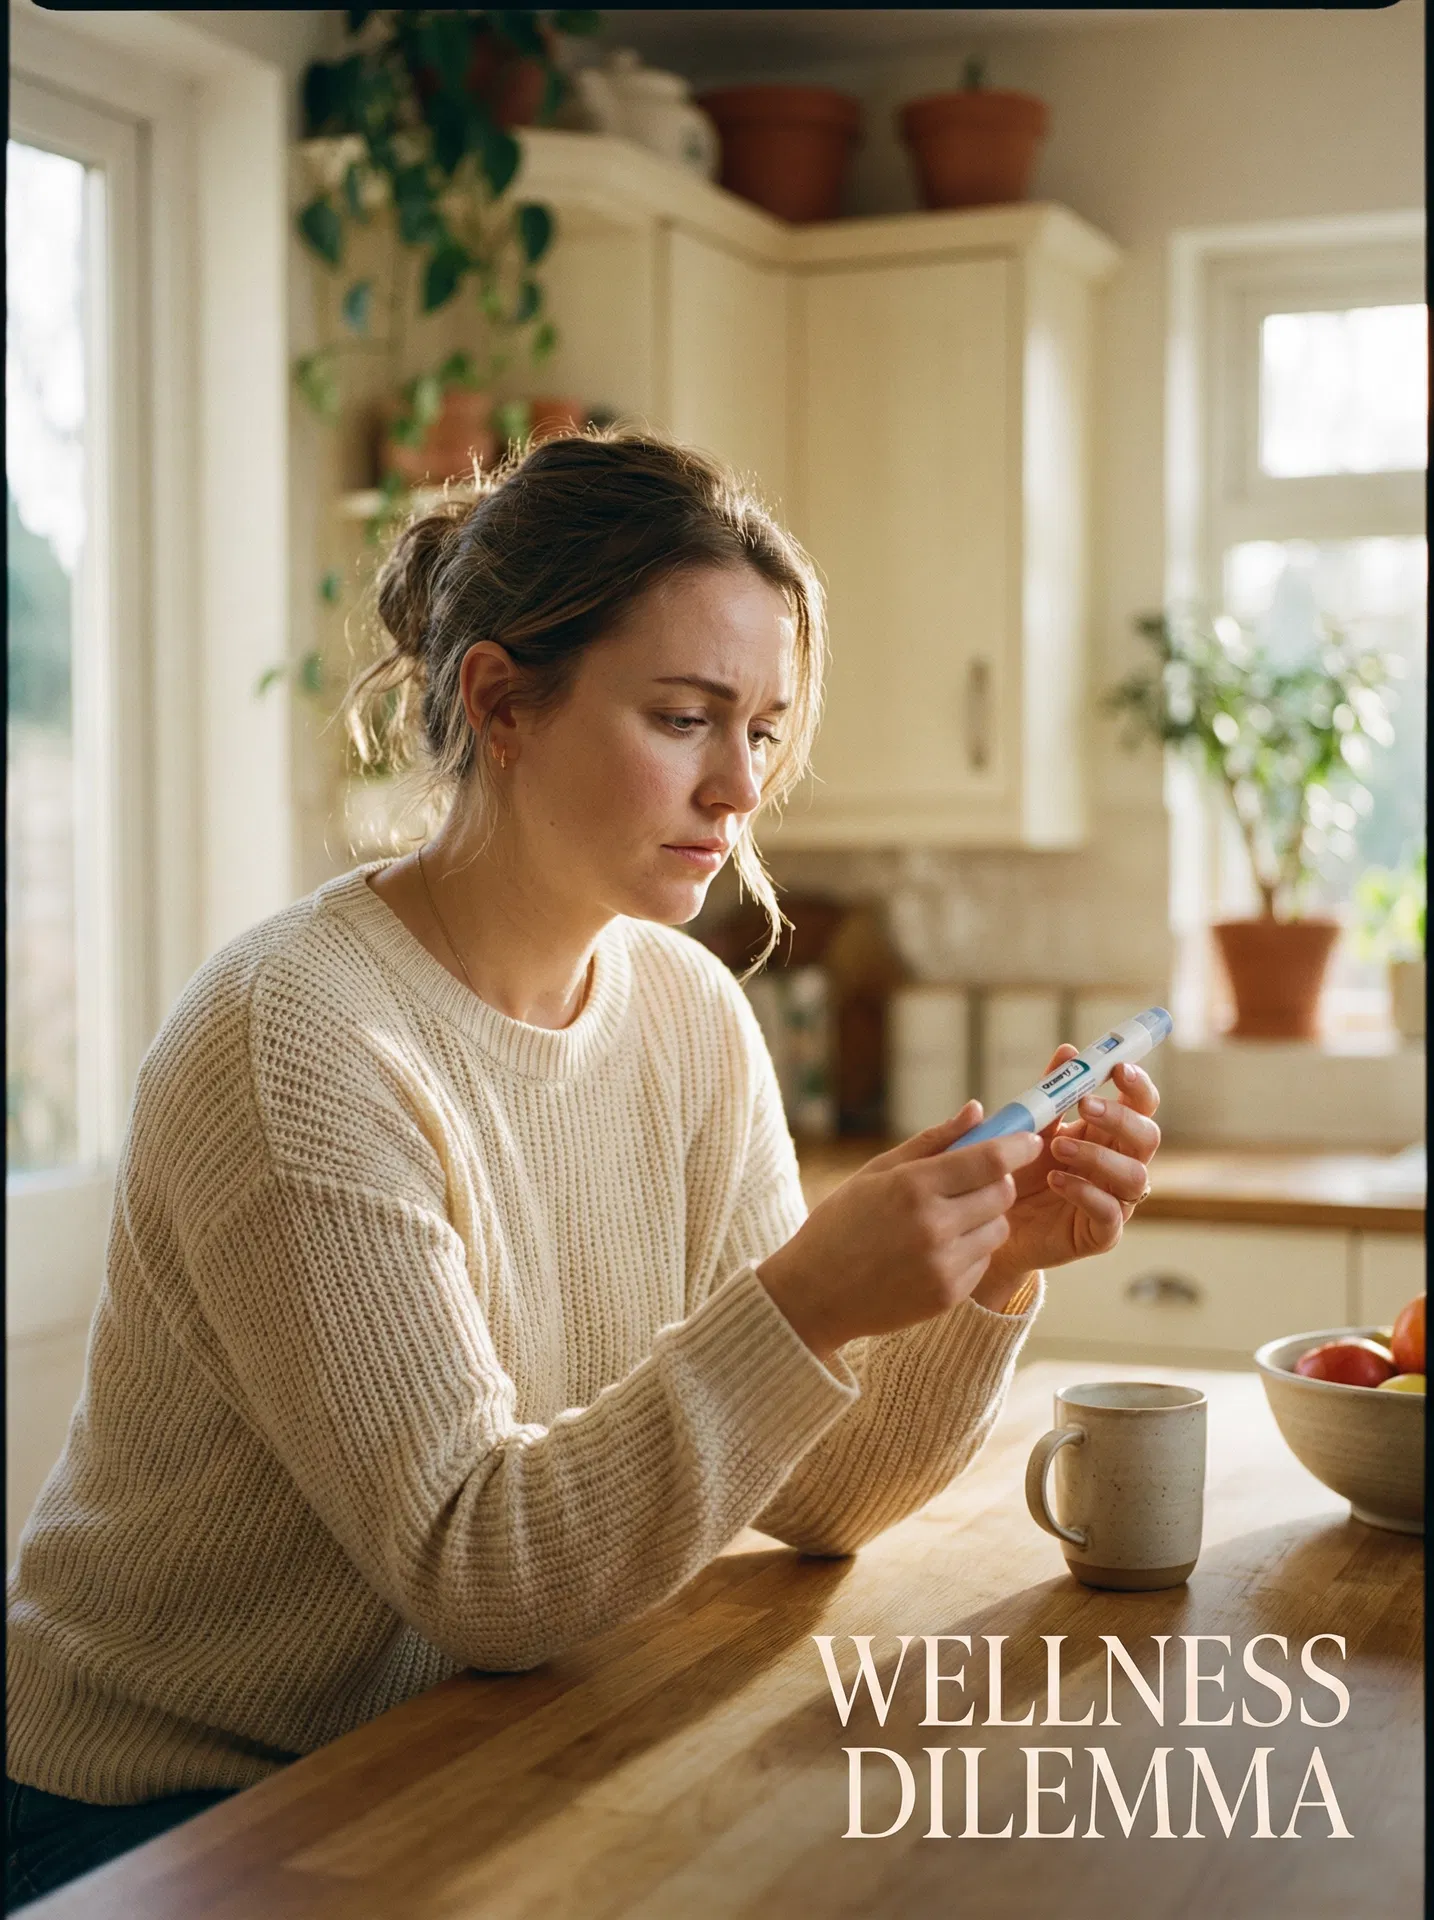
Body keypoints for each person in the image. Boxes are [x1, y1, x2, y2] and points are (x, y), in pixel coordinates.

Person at [4, 431, 1160, 1907]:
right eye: (686, 717)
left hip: (454, 1751)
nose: (739, 786)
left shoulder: (685, 1015)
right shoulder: (293, 1039)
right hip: (158, 1813)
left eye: (763, 728)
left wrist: (987, 1269)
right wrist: (804, 1303)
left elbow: (809, 1499)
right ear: (499, 701)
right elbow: (484, 1575)